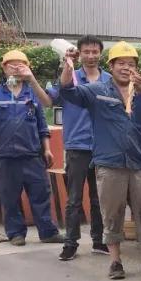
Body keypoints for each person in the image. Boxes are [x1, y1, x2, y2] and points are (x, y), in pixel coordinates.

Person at [59, 41, 141, 279]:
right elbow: (67, 91)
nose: (126, 68)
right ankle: (115, 262)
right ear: (111, 66)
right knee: (112, 214)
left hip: (138, 163)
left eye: (131, 64)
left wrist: (140, 94)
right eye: (121, 63)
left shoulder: (139, 93)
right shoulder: (97, 91)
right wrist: (68, 65)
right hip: (109, 164)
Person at [0, 51, 63, 245]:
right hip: (4, 156)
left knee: (41, 195)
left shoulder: (33, 93)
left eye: (20, 65)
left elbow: (42, 124)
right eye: (11, 65)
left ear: (28, 67)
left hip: (32, 155)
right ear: (4, 68)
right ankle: (16, 233)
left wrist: (47, 149)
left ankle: (48, 232)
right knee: (9, 198)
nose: (15, 69)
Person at [44, 35, 110, 261]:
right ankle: (70, 243)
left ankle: (99, 240)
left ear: (100, 53)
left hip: (102, 146)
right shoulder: (70, 75)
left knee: (99, 198)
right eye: (86, 52)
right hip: (76, 146)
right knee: (74, 199)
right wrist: (67, 64)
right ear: (79, 54)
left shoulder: (109, 80)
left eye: (95, 51)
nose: (91, 56)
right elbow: (54, 96)